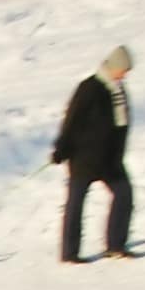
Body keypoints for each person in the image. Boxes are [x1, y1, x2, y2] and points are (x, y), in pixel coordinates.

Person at [54, 45, 136, 264]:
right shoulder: (89, 88)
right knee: (75, 204)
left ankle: (116, 246)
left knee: (124, 195)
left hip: (110, 160)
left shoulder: (118, 90)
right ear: (114, 67)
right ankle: (70, 253)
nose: (125, 74)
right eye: (123, 70)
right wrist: (61, 148)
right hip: (85, 158)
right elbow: (72, 119)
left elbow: (121, 125)